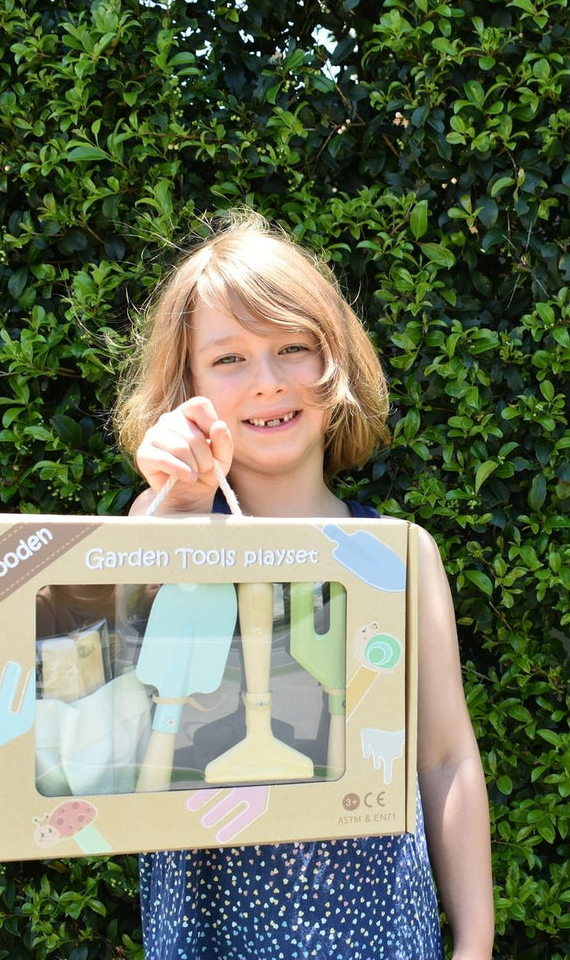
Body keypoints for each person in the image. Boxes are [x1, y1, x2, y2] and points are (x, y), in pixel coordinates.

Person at [112, 209, 495, 959]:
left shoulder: (399, 556)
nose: (266, 381)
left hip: (379, 926)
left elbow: (446, 756)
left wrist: (475, 941)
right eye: (228, 359)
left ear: (335, 364)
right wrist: (175, 497)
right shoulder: (161, 528)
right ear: (184, 383)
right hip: (212, 928)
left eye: (292, 347)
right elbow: (126, 619)